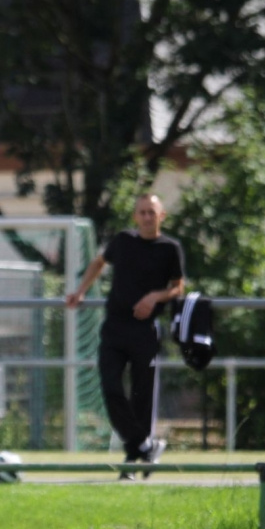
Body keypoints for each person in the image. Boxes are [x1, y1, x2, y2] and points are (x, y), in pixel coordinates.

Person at [66, 193, 185, 480]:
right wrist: (80, 291)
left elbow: (177, 287)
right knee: (110, 387)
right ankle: (146, 445)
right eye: (142, 212)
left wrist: (154, 297)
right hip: (115, 327)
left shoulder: (170, 248)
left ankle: (133, 461)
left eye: (151, 212)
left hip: (145, 330)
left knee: (142, 396)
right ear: (135, 217)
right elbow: (98, 263)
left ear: (161, 216)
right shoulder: (122, 241)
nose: (147, 217)